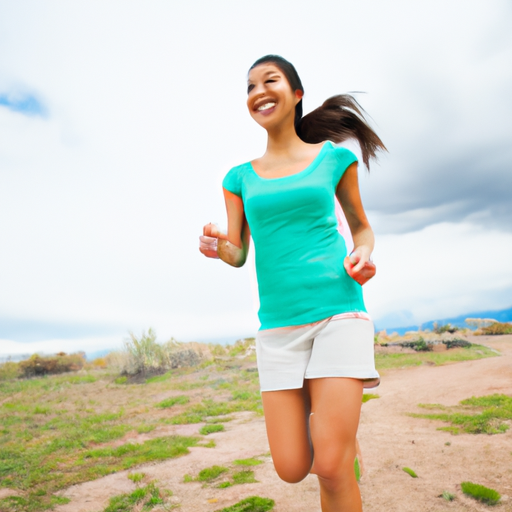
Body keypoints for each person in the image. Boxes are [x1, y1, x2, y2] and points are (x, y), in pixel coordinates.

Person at [199, 55, 386, 512]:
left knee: (331, 468)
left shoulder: (334, 160)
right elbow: (239, 253)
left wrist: (363, 252)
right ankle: (341, 444)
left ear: (296, 94)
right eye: (250, 86)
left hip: (338, 311)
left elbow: (360, 226)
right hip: (278, 327)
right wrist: (219, 247)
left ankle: (339, 453)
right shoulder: (238, 178)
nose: (258, 91)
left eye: (270, 80)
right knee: (290, 466)